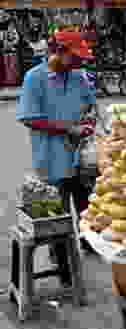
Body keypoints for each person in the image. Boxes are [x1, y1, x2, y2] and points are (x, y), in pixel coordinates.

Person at [16, 25, 96, 284]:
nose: (78, 62)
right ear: (58, 51)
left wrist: (89, 121)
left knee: (87, 209)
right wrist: (68, 128)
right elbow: (30, 118)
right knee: (58, 220)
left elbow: (89, 106)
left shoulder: (78, 77)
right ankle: (63, 269)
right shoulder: (34, 78)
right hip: (51, 160)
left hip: (79, 159)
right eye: (74, 57)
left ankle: (88, 245)